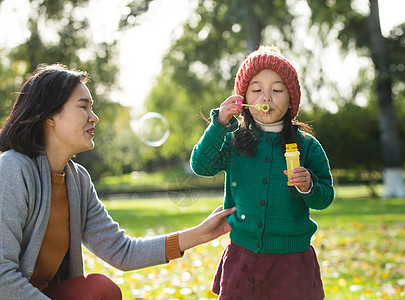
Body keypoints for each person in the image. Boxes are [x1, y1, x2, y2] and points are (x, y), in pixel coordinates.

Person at [0, 63, 236, 300]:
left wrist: (200, 233)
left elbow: (122, 251)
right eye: (83, 107)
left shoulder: (77, 180)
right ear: (50, 116)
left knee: (100, 288)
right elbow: (2, 278)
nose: (95, 117)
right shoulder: (12, 168)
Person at [190, 46, 335, 299]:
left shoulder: (307, 146)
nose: (266, 97)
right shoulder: (234, 142)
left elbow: (325, 197)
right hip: (243, 257)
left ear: (292, 100)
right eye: (256, 90)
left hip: (292, 262)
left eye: (277, 90)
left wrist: (309, 186)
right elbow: (201, 166)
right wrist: (219, 126)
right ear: (243, 99)